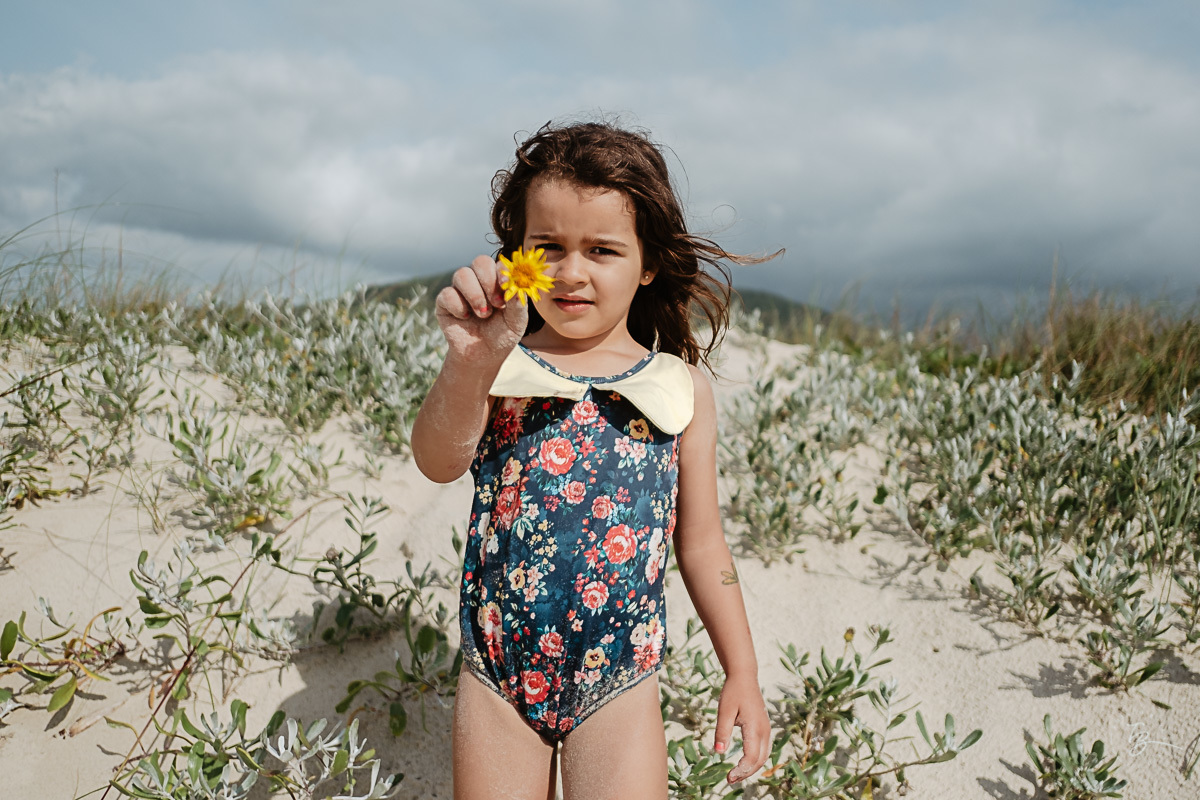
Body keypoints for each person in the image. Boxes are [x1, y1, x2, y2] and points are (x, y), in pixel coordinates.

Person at [411, 120, 774, 800]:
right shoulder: (500, 364)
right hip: (499, 669)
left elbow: (701, 545)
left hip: (620, 677)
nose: (570, 272)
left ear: (648, 263)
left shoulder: (677, 385)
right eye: (547, 247)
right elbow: (436, 460)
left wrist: (742, 670)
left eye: (602, 249)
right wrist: (468, 363)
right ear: (517, 255)